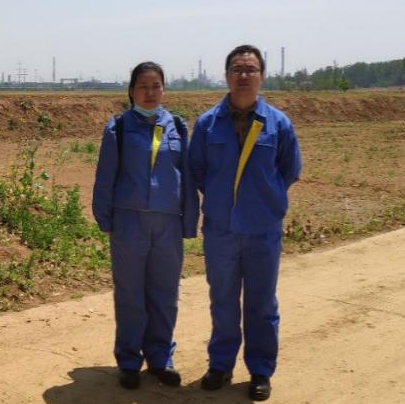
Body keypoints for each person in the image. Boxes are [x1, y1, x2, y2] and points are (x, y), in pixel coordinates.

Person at [188, 45, 302, 401]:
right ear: (226, 76)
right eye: (237, 69)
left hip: (262, 230)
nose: (243, 75)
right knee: (222, 301)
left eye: (251, 69)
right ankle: (220, 365)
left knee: (262, 304)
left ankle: (260, 371)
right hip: (221, 231)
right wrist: (222, 202)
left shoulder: (278, 124)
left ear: (261, 76)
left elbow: (290, 170)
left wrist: (264, 201)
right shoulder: (207, 124)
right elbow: (197, 171)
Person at [92, 61, 198, 390]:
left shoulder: (177, 127)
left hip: (167, 223)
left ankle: (161, 358)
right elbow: (105, 177)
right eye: (143, 86)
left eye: (156, 86)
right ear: (131, 91)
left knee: (165, 293)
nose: (150, 93)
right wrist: (105, 219)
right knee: (130, 294)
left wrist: (189, 222)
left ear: (164, 90)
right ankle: (129, 361)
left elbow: (187, 177)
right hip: (129, 223)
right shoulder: (119, 128)